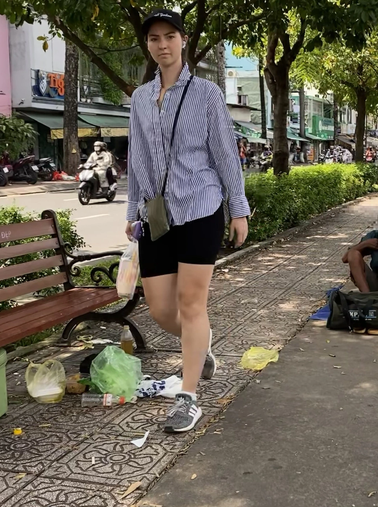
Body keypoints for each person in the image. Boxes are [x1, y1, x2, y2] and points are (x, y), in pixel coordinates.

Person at [124, 9, 250, 433]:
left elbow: (224, 154)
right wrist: (131, 213)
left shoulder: (208, 93)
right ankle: (201, 348)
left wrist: (239, 208)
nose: (163, 44)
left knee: (192, 305)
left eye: (170, 36)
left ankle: (188, 396)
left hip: (200, 208)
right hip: (156, 214)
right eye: (155, 38)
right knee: (160, 309)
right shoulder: (141, 98)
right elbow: (136, 158)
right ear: (148, 45)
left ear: (183, 40)